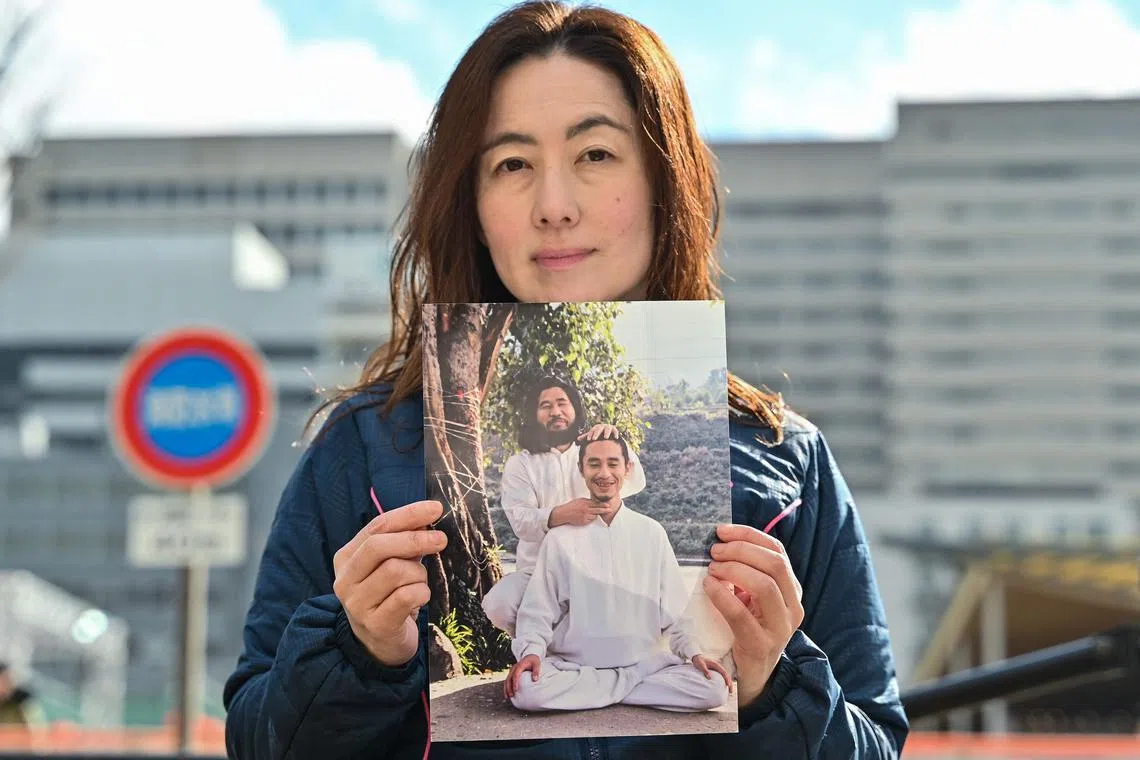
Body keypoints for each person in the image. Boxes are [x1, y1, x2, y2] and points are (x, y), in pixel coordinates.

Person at [223, 2, 910, 758]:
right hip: (555, 667)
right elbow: (259, 742)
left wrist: (773, 686)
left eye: (595, 156)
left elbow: (875, 739)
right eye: (512, 165)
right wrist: (355, 653)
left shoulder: (788, 461)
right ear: (473, 205)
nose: (555, 207)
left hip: (649, 668)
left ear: (661, 180)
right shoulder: (365, 450)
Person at [505, 435, 731, 714]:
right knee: (526, 691)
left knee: (714, 688)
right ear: (581, 470)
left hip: (643, 666)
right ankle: (628, 690)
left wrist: (695, 653)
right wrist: (531, 653)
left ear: (627, 469)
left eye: (613, 463)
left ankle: (599, 692)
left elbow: (677, 613)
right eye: (594, 464)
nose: (604, 473)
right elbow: (538, 609)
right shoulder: (559, 538)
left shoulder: (651, 532)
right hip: (575, 665)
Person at [482, 374, 647, 637]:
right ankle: (539, 648)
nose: (555, 411)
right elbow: (521, 522)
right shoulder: (520, 464)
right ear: (534, 414)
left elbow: (635, 481)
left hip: (593, 571)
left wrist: (614, 440)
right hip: (536, 573)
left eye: (562, 403)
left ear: (575, 409)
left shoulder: (593, 452)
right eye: (545, 406)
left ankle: (567, 650)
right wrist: (561, 515)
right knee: (499, 604)